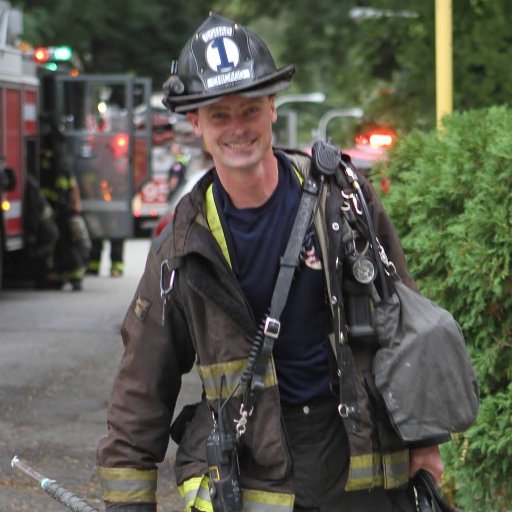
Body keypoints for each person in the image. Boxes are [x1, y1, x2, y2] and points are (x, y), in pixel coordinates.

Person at [96, 13, 446, 512]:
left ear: (273, 108)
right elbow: (141, 385)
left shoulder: (342, 201)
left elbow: (406, 322)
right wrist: (128, 503)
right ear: (195, 123)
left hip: (365, 478)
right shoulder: (182, 245)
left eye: (250, 110)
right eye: (219, 115)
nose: (237, 128)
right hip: (261, 482)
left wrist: (426, 441)